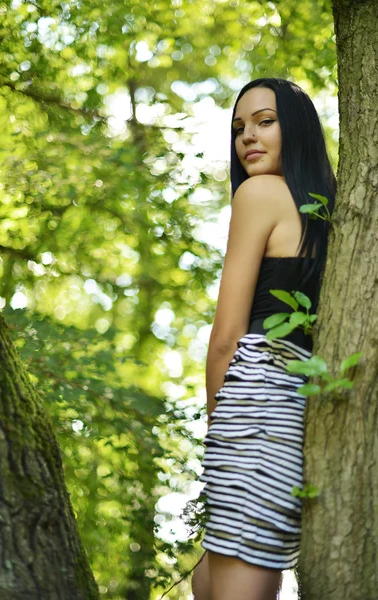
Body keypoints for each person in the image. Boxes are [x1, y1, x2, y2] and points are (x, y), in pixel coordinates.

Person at [191, 78, 336, 600]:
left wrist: (217, 426)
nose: (248, 137)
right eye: (239, 128)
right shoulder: (323, 211)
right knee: (210, 579)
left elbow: (227, 336)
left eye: (265, 121)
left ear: (294, 129)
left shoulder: (259, 193)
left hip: (254, 405)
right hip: (293, 406)